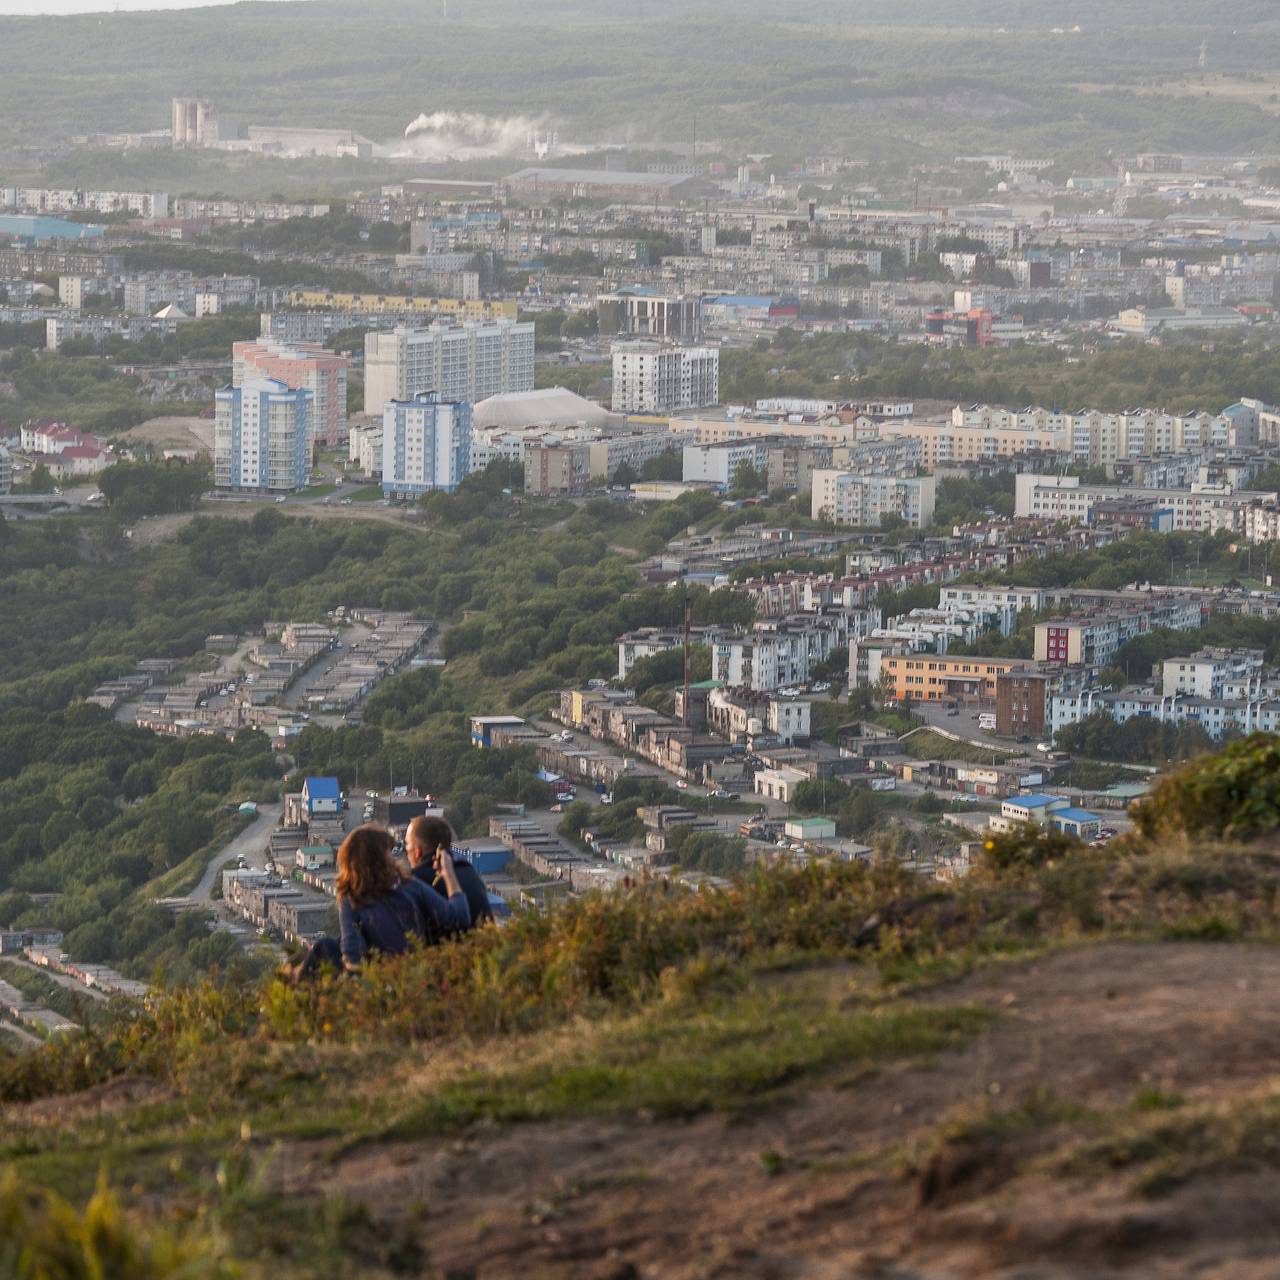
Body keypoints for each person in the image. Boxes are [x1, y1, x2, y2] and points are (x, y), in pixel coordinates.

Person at [290, 824, 470, 979]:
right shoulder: (409, 886)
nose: (394, 858)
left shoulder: (353, 897)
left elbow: (352, 957)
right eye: (389, 853)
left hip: (383, 980)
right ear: (377, 859)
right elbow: (459, 917)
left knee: (325, 947)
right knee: (326, 946)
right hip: (417, 973)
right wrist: (448, 873)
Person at [405, 814, 494, 935]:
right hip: (488, 948)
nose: (406, 849)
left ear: (417, 851)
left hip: (448, 952)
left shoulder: (413, 882)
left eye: (407, 844)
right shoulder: (468, 871)